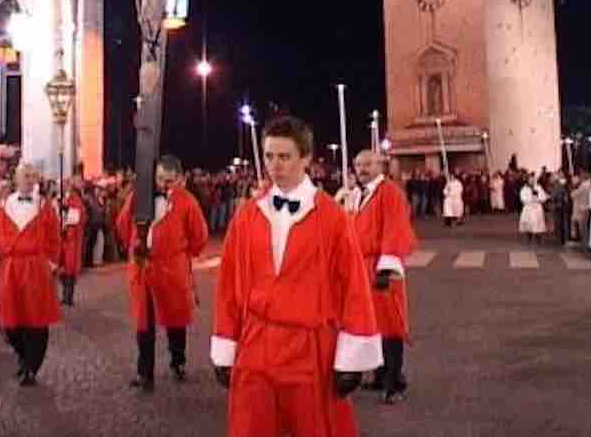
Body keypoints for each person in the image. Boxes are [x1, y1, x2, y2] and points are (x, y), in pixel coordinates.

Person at [211, 116, 381, 436]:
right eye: (269, 156)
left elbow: (354, 284)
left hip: (310, 349)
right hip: (255, 344)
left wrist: (351, 357)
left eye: (284, 156)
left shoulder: (332, 216)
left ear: (305, 158)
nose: (275, 166)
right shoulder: (247, 215)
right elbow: (228, 286)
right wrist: (225, 344)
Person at [116, 154, 209, 391]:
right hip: (143, 268)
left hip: (172, 269)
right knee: (143, 321)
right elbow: (122, 223)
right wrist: (134, 247)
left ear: (180, 179)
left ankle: (178, 360)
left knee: (175, 318)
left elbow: (199, 236)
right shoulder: (139, 196)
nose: (163, 185)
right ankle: (144, 372)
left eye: (169, 180)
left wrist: (181, 255)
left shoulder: (187, 202)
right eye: (159, 179)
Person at [351, 149, 418, 405]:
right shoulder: (359, 194)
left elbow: (395, 229)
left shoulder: (390, 193)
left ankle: (394, 382)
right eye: (358, 164)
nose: (362, 169)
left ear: (380, 165)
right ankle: (380, 375)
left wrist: (385, 268)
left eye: (367, 164)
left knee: (390, 326)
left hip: (382, 268)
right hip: (363, 266)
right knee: (373, 324)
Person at [0, 163, 62, 386]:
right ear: (16, 178)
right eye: (25, 176)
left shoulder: (44, 206)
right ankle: (23, 355)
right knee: (11, 321)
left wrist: (50, 264)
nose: (29, 180)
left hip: (36, 267)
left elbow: (54, 237)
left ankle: (32, 366)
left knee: (36, 318)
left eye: (32, 176)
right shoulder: (6, 205)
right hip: (12, 267)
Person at [58, 180, 86, 306]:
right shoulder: (61, 198)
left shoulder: (75, 199)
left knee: (69, 266)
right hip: (62, 237)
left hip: (71, 238)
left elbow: (78, 216)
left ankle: (68, 296)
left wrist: (67, 210)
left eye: (66, 185)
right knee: (62, 266)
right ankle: (65, 294)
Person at [518, 175, 547, 242]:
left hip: (537, 207)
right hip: (528, 207)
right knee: (529, 222)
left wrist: (539, 199)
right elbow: (522, 198)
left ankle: (538, 237)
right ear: (527, 180)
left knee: (538, 222)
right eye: (530, 180)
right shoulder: (524, 189)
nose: (531, 181)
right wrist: (530, 199)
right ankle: (529, 236)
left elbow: (543, 196)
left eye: (533, 179)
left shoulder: (538, 187)